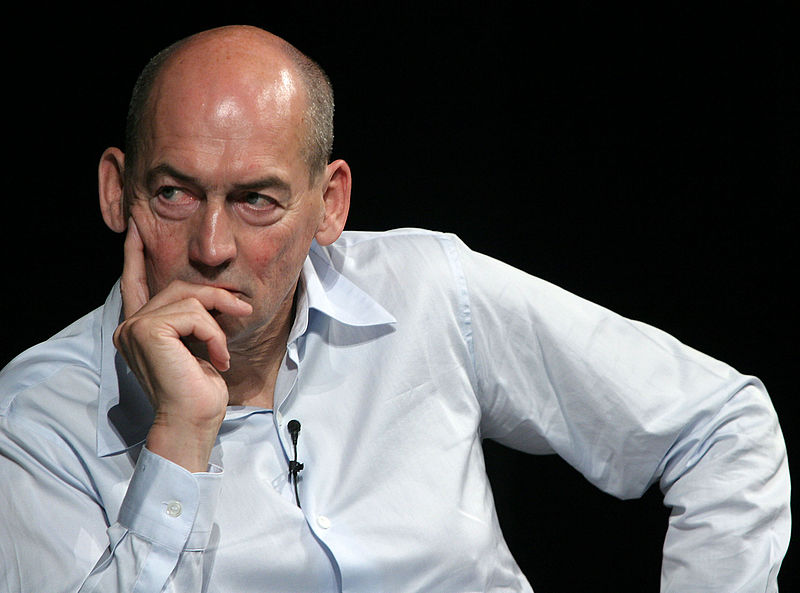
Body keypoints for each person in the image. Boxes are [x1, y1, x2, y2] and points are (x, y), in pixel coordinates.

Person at [0, 24, 790, 593]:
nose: (212, 246)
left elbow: (721, 425)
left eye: (257, 200)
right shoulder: (35, 416)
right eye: (175, 193)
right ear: (118, 191)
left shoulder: (428, 289)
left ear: (330, 204)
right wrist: (176, 439)